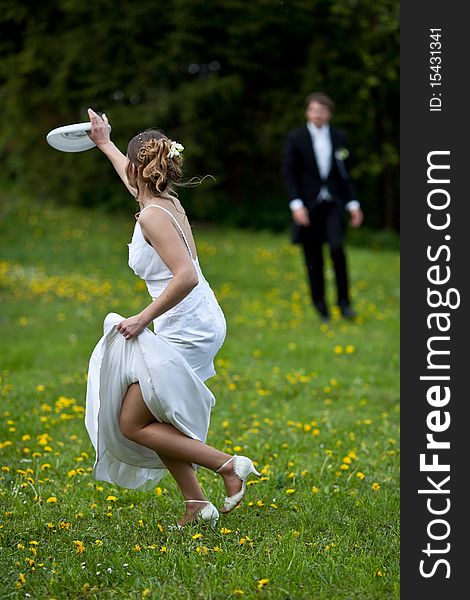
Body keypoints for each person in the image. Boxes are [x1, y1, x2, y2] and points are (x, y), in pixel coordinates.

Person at [84, 109, 260, 528]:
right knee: (150, 417)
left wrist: (143, 318)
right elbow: (132, 179)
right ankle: (196, 506)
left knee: (132, 420)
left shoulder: (151, 215)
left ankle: (228, 466)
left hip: (188, 327)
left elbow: (185, 276)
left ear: (140, 168)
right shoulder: (163, 200)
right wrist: (104, 141)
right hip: (193, 321)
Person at [282, 92, 363, 323]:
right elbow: (289, 174)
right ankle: (321, 307)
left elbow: (345, 174)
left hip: (334, 203)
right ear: (308, 112)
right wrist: (296, 204)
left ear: (329, 113)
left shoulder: (339, 137)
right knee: (313, 257)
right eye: (314, 110)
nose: (318, 114)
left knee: (338, 250)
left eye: (323, 110)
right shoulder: (296, 138)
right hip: (308, 206)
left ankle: (344, 303)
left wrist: (353, 203)